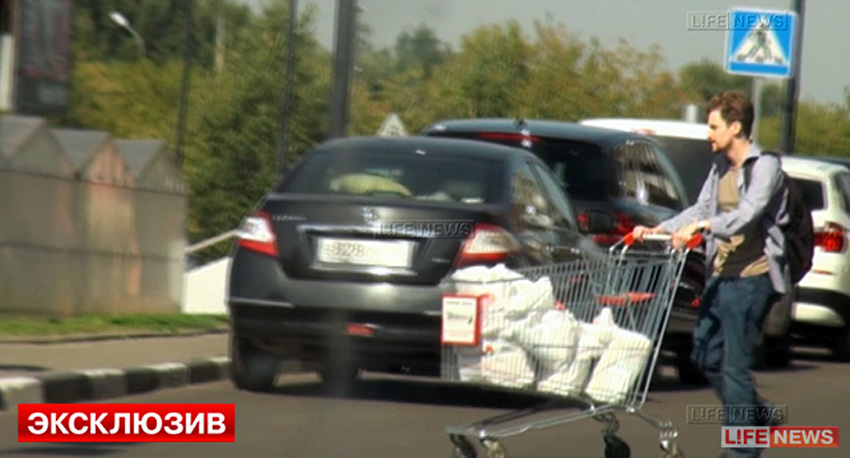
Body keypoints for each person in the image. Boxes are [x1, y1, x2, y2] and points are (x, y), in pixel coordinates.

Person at [632, 90, 788, 458]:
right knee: (704, 354)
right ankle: (757, 415)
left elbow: (747, 214)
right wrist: (660, 229)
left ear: (735, 127)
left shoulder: (765, 167)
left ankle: (741, 451)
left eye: (714, 126)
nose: (708, 134)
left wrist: (704, 227)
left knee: (734, 366)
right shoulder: (719, 167)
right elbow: (701, 208)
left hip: (753, 277)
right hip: (721, 275)